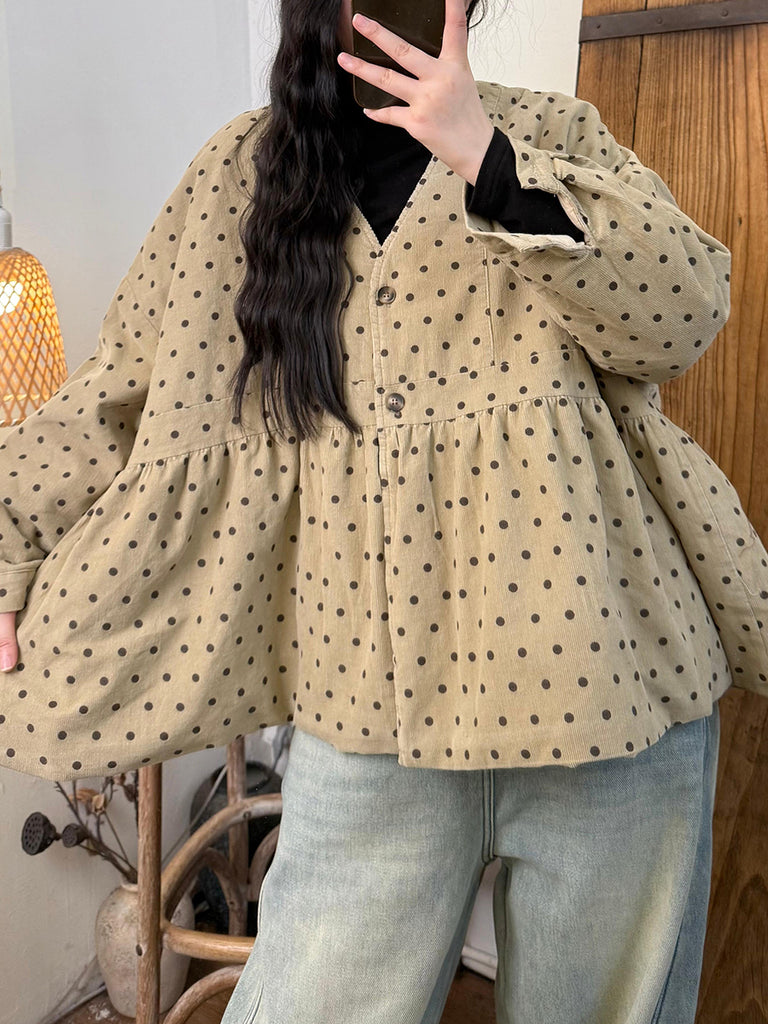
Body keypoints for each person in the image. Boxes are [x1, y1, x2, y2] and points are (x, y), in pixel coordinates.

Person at [0, 0, 735, 1020]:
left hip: (609, 699)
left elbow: (685, 315)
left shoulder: (551, 133)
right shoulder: (240, 178)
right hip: (369, 719)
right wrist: (10, 533)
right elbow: (118, 391)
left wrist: (488, 159)